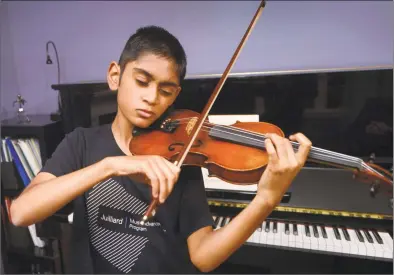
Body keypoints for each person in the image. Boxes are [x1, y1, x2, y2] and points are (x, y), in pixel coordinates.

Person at [9, 26, 312, 274]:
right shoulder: (81, 143)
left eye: (165, 91)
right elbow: (21, 213)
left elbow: (204, 257)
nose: (152, 97)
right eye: (142, 81)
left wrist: (266, 199)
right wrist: (110, 166)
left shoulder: (181, 157)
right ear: (115, 76)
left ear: (174, 96)